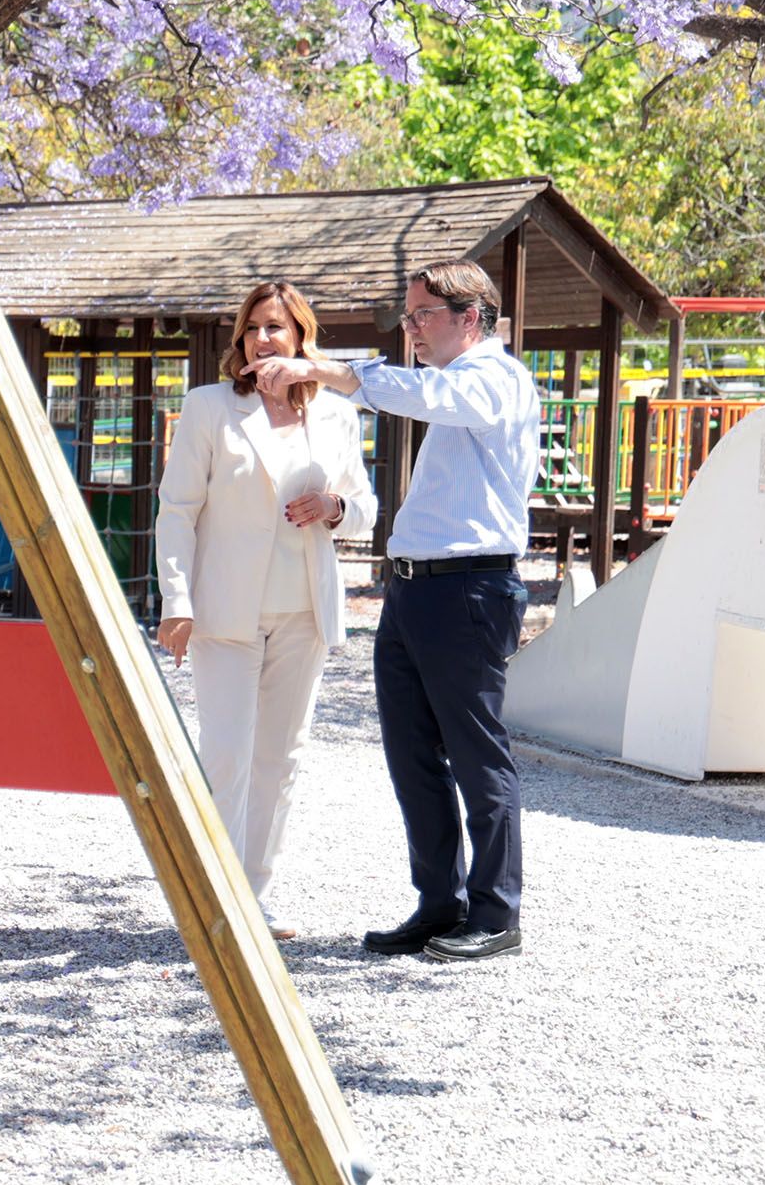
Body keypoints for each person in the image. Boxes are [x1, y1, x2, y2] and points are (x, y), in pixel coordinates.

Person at [252, 259, 541, 963]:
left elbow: (420, 395)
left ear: (469, 317)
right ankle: (438, 901)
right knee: (412, 755)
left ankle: (495, 911)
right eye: (407, 317)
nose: (410, 328)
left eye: (421, 316)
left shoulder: (493, 379)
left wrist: (327, 371)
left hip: (466, 589)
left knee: (475, 753)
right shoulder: (452, 385)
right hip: (415, 588)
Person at [154, 281, 375, 939]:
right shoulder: (208, 408)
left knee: (280, 758)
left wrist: (333, 509)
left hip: (303, 614)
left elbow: (363, 508)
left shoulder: (336, 415)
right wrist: (175, 599)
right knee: (225, 755)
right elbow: (176, 512)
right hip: (223, 614)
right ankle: (210, 894)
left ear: (302, 339)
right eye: (252, 328)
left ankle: (252, 897)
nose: (262, 339)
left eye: (276, 327)